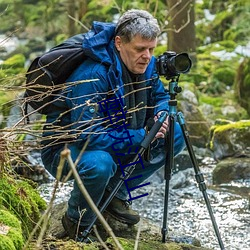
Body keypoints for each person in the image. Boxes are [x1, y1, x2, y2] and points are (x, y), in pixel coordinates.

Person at [41, 9, 185, 241]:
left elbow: (159, 96)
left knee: (175, 132)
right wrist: (142, 135)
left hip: (118, 135)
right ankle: (76, 221)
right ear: (119, 43)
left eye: (151, 49)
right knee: (100, 164)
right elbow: (87, 135)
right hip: (67, 149)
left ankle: (114, 192)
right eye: (140, 49)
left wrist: (161, 114)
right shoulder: (93, 75)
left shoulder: (145, 64)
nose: (147, 56)